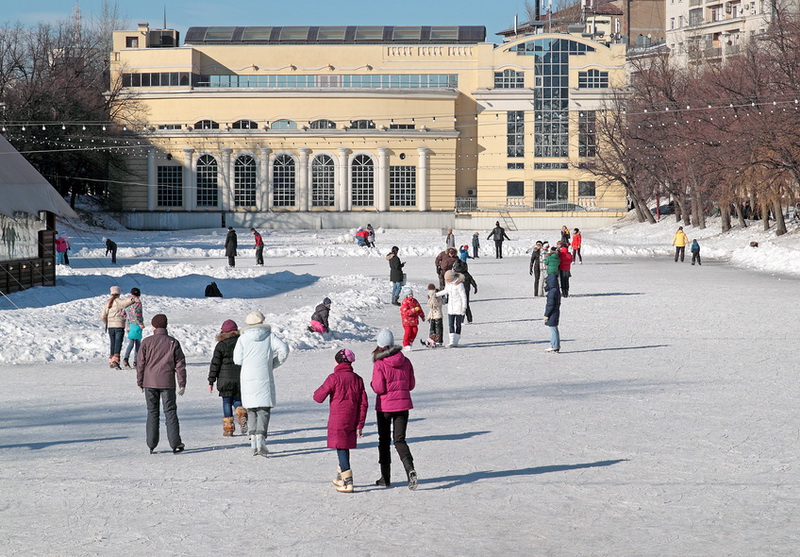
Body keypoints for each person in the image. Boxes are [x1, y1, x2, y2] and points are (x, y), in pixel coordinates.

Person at [233, 311, 290, 457]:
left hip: (247, 378)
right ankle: (261, 437)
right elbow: (284, 349)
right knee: (263, 409)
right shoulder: (270, 336)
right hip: (264, 376)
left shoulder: (243, 339)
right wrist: (273, 363)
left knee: (251, 409)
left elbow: (237, 360)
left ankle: (253, 440)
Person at [313, 349, 368, 494]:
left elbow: (318, 397)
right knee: (344, 446)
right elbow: (364, 403)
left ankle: (348, 482)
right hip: (352, 418)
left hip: (338, 419)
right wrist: (360, 424)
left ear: (338, 361)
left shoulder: (334, 377)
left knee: (341, 447)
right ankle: (340, 477)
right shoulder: (358, 379)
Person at [371, 329, 418, 490]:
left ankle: (385, 477)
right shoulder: (405, 361)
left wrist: (372, 384)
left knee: (384, 441)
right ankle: (410, 469)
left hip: (385, 407)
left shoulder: (379, 364)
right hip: (403, 406)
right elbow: (411, 385)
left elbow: (378, 388)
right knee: (399, 439)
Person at [136, 313, 186, 454]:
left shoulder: (146, 342)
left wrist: (140, 381)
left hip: (149, 382)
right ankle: (175, 443)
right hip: (167, 382)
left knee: (152, 412)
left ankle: (151, 443)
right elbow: (180, 364)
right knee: (170, 412)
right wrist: (182, 383)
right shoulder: (173, 342)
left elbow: (140, 364)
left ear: (153, 326)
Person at [208, 319, 247, 437]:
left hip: (224, 380)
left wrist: (211, 380)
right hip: (239, 377)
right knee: (237, 399)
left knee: (226, 402)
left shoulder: (221, 345)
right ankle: (241, 412)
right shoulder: (242, 342)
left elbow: (215, 364)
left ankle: (229, 429)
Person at [101, 285, 134, 369]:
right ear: (119, 293)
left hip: (110, 327)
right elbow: (127, 301)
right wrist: (134, 298)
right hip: (119, 325)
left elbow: (102, 316)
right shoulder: (119, 301)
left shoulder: (107, 303)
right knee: (118, 343)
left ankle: (111, 360)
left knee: (113, 343)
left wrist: (108, 323)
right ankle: (116, 360)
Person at [436, 269, 467, 347]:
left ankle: (456, 340)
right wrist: (436, 294)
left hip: (458, 307)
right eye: (446, 279)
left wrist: (464, 307)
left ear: (452, 277)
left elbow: (463, 296)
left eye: (448, 279)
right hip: (451, 307)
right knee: (450, 324)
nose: (447, 281)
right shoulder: (448, 284)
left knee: (458, 324)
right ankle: (451, 341)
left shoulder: (459, 285)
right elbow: (445, 291)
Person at [122, 287, 144, 369]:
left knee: (131, 342)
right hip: (136, 325)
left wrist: (127, 320)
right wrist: (140, 323)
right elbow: (137, 314)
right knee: (137, 343)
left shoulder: (127, 302)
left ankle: (126, 358)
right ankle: (136, 361)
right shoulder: (138, 303)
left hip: (129, 325)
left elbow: (122, 314)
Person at [399, 286, 425, 350]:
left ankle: (410, 341)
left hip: (414, 321)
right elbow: (405, 312)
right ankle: (405, 344)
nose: (410, 295)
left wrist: (422, 316)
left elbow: (419, 309)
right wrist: (414, 310)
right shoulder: (405, 302)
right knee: (408, 332)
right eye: (409, 294)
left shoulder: (415, 301)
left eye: (411, 294)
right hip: (407, 321)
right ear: (406, 295)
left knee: (415, 331)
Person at [453, 258, 478, 323]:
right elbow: (472, 281)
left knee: (463, 305)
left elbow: (472, 281)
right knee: (464, 304)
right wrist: (475, 287)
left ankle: (463, 320)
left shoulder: (459, 274)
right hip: (462, 291)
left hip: (463, 291)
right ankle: (467, 319)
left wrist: (475, 287)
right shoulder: (464, 274)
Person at [544, 274, 562, 353]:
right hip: (555, 312)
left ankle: (554, 345)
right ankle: (555, 345)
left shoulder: (552, 292)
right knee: (554, 328)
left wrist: (546, 315)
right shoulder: (556, 290)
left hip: (552, 313)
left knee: (553, 329)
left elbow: (550, 305)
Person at [422, 283, 443, 348]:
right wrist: (428, 317)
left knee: (438, 329)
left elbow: (436, 305)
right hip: (433, 316)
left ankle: (438, 341)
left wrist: (433, 298)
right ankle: (431, 340)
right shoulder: (431, 297)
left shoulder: (438, 298)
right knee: (432, 329)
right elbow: (431, 308)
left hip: (437, 315)